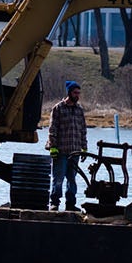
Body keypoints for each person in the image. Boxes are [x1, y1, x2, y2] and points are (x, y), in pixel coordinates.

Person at [46, 79, 87, 211]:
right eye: (75, 93)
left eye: (79, 93)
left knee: (72, 180)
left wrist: (84, 148)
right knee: (58, 179)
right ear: (69, 93)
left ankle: (70, 204)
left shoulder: (80, 110)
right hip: (61, 151)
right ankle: (55, 202)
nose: (77, 95)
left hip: (75, 151)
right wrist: (52, 146)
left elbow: (83, 130)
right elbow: (53, 129)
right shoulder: (58, 108)